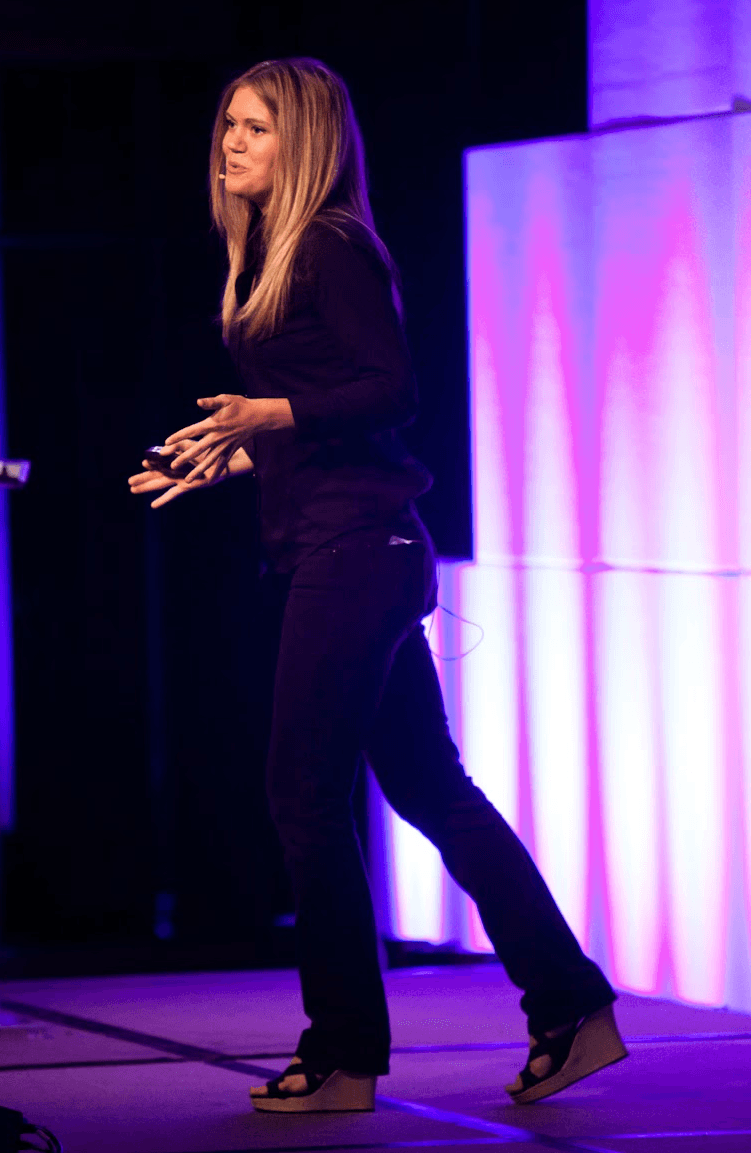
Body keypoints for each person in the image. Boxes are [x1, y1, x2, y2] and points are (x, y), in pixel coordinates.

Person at [128, 57, 626, 1114]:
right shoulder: (273, 254)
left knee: (303, 793)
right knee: (430, 787)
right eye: (227, 124)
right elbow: (328, 416)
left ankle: (344, 1050)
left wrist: (269, 416)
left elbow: (390, 388)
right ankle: (572, 1004)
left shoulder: (329, 245)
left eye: (256, 127)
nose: (230, 142)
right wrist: (233, 454)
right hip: (352, 545)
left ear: (304, 140)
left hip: (356, 553)